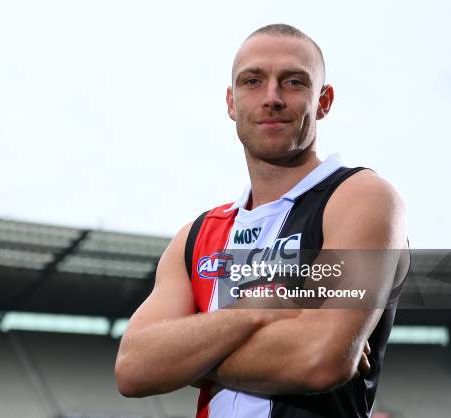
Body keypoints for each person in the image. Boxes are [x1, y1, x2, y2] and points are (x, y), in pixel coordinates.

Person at [115, 23, 409, 418]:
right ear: (231, 102)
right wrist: (255, 310)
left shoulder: (361, 197)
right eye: (252, 81)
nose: (271, 97)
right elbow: (133, 367)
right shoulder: (196, 236)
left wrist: (189, 361)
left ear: (323, 101)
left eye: (293, 82)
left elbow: (320, 358)